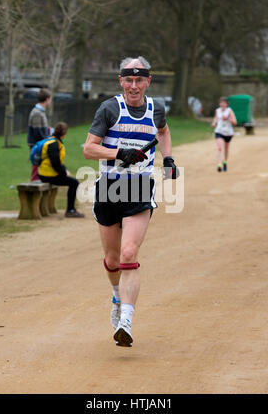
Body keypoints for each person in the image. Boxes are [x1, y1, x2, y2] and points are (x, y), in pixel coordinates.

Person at [83, 56, 179, 347]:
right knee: (112, 260)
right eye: (129, 80)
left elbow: (162, 131)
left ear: (148, 81)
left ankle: (126, 319)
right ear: (121, 81)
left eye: (140, 80)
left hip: (139, 188)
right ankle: (116, 298)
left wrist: (169, 157)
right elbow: (89, 149)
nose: (134, 86)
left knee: (128, 253)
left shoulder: (156, 109)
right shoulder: (110, 108)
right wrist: (119, 153)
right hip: (109, 189)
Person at [39, 122, 85, 218]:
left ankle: (71, 209)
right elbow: (55, 163)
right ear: (65, 132)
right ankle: (70, 210)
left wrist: (65, 170)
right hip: (48, 175)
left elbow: (57, 162)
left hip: (45, 173)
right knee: (74, 183)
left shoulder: (52, 140)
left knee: (72, 182)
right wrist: (64, 173)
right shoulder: (54, 144)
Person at [27, 88, 52, 181]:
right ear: (47, 99)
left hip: (40, 146)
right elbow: (38, 133)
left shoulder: (40, 112)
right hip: (37, 147)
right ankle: (31, 192)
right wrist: (49, 140)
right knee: (35, 173)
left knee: (39, 171)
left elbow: (42, 129)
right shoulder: (37, 113)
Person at [211, 97, 237, 172]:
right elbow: (216, 119)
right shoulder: (217, 111)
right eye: (221, 103)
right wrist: (214, 123)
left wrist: (228, 119)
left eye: (224, 103)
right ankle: (219, 164)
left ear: (227, 104)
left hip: (228, 133)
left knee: (226, 148)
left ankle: (225, 161)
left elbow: (235, 122)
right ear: (219, 104)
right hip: (219, 131)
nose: (223, 104)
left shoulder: (229, 111)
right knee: (219, 147)